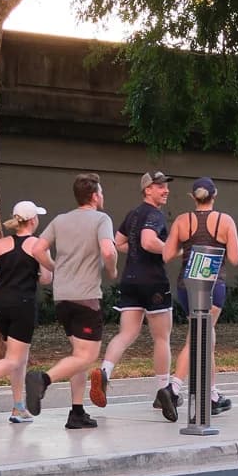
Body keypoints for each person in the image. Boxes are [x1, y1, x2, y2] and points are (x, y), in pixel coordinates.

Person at [24, 174, 118, 428]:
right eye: (101, 192)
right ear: (95, 196)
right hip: (86, 297)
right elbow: (108, 250)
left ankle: (76, 412)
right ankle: (42, 380)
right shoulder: (102, 219)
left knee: (78, 355)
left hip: (62, 297)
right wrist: (112, 269)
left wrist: (55, 267)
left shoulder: (60, 220)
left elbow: (36, 250)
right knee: (87, 356)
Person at [91, 171, 176, 418]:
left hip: (130, 279)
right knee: (162, 338)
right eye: (160, 186)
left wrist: (137, 249)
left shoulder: (132, 214)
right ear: (147, 190)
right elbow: (150, 241)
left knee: (126, 333)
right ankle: (163, 392)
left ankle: (105, 372)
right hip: (154, 282)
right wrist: (170, 248)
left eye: (166, 186)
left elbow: (118, 243)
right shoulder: (155, 215)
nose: (165, 190)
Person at [165, 176, 238, 416]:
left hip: (186, 286)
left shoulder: (181, 220)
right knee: (198, 338)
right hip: (212, 285)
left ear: (192, 197)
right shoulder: (225, 220)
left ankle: (212, 394)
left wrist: (187, 246)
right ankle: (174, 387)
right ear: (214, 195)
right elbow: (235, 258)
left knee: (207, 337)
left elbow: (167, 254)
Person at [0, 202, 54, 424]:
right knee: (14, 358)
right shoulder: (38, 245)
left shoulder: (1, 243)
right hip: (23, 302)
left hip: (0, 302)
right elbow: (45, 278)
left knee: (18, 358)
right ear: (33, 220)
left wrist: (4, 270)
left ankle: (18, 407)